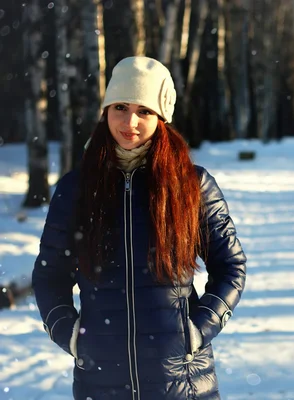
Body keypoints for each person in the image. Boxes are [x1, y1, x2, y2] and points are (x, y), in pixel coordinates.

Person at [32, 56, 247, 400]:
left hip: (183, 382)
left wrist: (198, 330)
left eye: (144, 111)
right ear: (106, 112)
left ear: (161, 117)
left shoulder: (192, 185)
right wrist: (69, 334)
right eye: (120, 107)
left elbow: (231, 266)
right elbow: (49, 274)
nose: (129, 121)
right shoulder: (77, 189)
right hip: (100, 383)